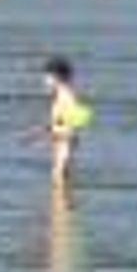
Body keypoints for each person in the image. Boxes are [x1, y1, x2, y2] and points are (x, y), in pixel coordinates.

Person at [43, 57, 93, 187]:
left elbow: (74, 127)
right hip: (61, 145)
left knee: (60, 180)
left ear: (57, 77)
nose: (45, 81)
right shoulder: (60, 95)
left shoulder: (66, 96)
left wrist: (55, 136)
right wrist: (40, 132)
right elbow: (61, 121)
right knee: (60, 180)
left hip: (64, 146)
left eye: (47, 77)